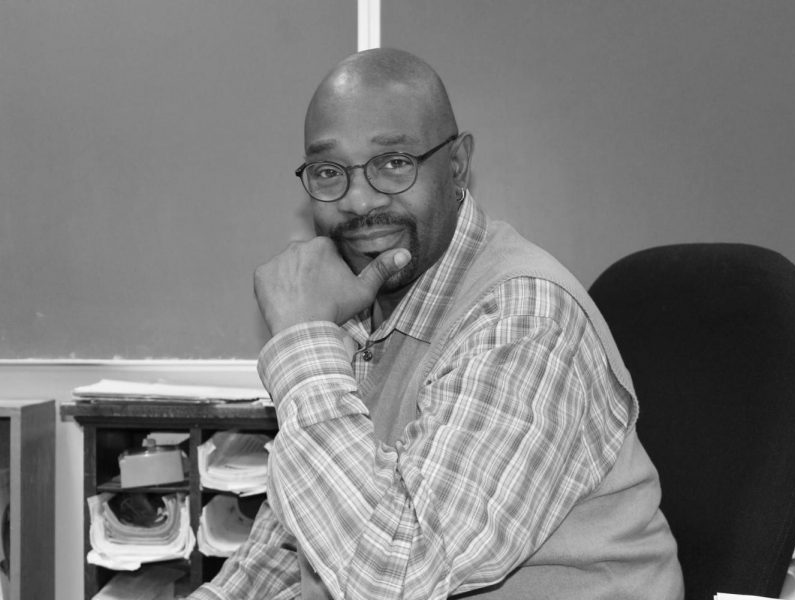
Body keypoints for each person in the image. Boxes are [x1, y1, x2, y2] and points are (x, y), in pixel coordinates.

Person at [188, 48, 683, 600]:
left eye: (394, 162)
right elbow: (302, 535)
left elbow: (399, 576)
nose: (358, 201)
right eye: (329, 172)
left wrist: (302, 345)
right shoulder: (364, 304)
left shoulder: (524, 317)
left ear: (457, 167)